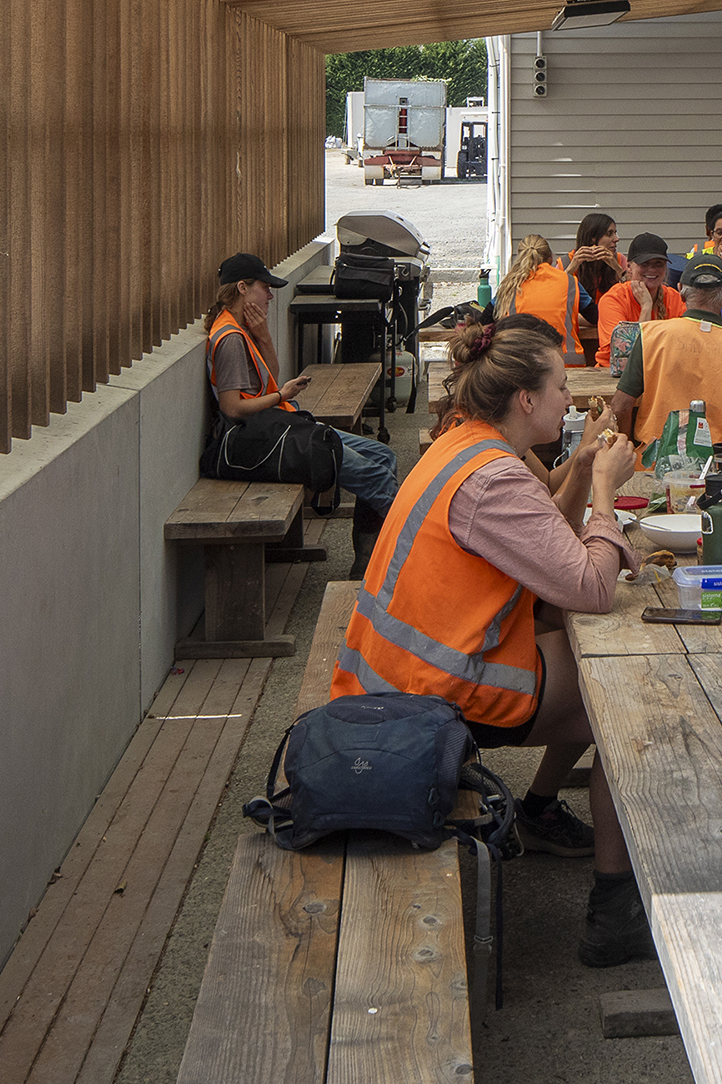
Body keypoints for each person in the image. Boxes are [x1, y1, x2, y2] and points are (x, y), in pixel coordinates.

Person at [334, 320, 657, 966]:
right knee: (628, 687)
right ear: (526, 399)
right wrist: (604, 496)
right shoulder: (494, 479)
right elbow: (591, 587)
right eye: (560, 387)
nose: (569, 399)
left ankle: (539, 810)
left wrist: (582, 466)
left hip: (393, 672)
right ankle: (614, 909)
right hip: (431, 698)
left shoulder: (465, 445)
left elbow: (544, 544)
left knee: (581, 647)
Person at [206, 252, 401, 570]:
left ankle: (366, 562)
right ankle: (399, 561)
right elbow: (232, 408)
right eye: (264, 287)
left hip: (275, 426)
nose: (270, 295)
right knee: (377, 477)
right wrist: (281, 395)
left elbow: (268, 378)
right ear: (242, 288)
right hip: (258, 442)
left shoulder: (243, 328)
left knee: (383, 456)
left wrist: (264, 337)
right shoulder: (229, 339)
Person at [606, 258, 722, 449]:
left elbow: (620, 406)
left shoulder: (651, 336)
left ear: (681, 290)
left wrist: (625, 451)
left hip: (656, 462)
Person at [499, 232, 593, 365]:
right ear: (551, 258)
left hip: (523, 364)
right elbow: (595, 317)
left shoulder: (511, 284)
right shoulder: (569, 281)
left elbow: (486, 318)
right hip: (567, 364)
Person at [593, 232, 681, 366]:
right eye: (644, 264)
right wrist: (646, 307)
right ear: (629, 267)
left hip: (660, 370)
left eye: (658, 264)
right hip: (613, 373)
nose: (652, 269)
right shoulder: (613, 299)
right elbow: (626, 355)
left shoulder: (675, 298)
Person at [567, 213, 623, 309]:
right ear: (592, 238)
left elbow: (633, 293)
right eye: (609, 234)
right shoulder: (567, 261)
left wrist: (618, 269)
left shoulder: (619, 260)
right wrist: (570, 270)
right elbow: (554, 296)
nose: (616, 239)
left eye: (615, 233)